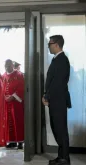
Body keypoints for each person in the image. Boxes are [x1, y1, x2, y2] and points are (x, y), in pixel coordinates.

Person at [42, 35, 71, 165]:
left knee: (60, 129)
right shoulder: (57, 59)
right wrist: (46, 94)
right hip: (55, 100)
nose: (49, 45)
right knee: (56, 128)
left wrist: (47, 96)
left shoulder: (62, 60)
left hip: (58, 100)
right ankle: (61, 157)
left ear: (57, 45)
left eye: (50, 43)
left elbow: (57, 83)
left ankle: (64, 158)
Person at [2, 59, 24, 149]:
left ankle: (20, 141)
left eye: (9, 65)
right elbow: (0, 88)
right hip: (7, 103)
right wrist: (4, 97)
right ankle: (11, 141)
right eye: (6, 65)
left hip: (16, 103)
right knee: (8, 122)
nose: (7, 67)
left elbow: (22, 87)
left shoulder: (19, 75)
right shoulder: (3, 76)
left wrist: (13, 96)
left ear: (12, 65)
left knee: (17, 121)